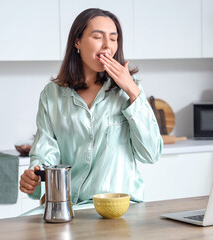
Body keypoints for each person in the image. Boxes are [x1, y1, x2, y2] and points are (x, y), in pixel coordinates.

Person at [19, 8, 162, 205]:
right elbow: (45, 154)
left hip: (119, 209)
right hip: (69, 207)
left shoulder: (129, 90)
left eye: (113, 38)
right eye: (98, 37)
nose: (107, 46)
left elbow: (151, 154)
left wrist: (131, 90)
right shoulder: (52, 94)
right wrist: (34, 176)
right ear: (77, 42)